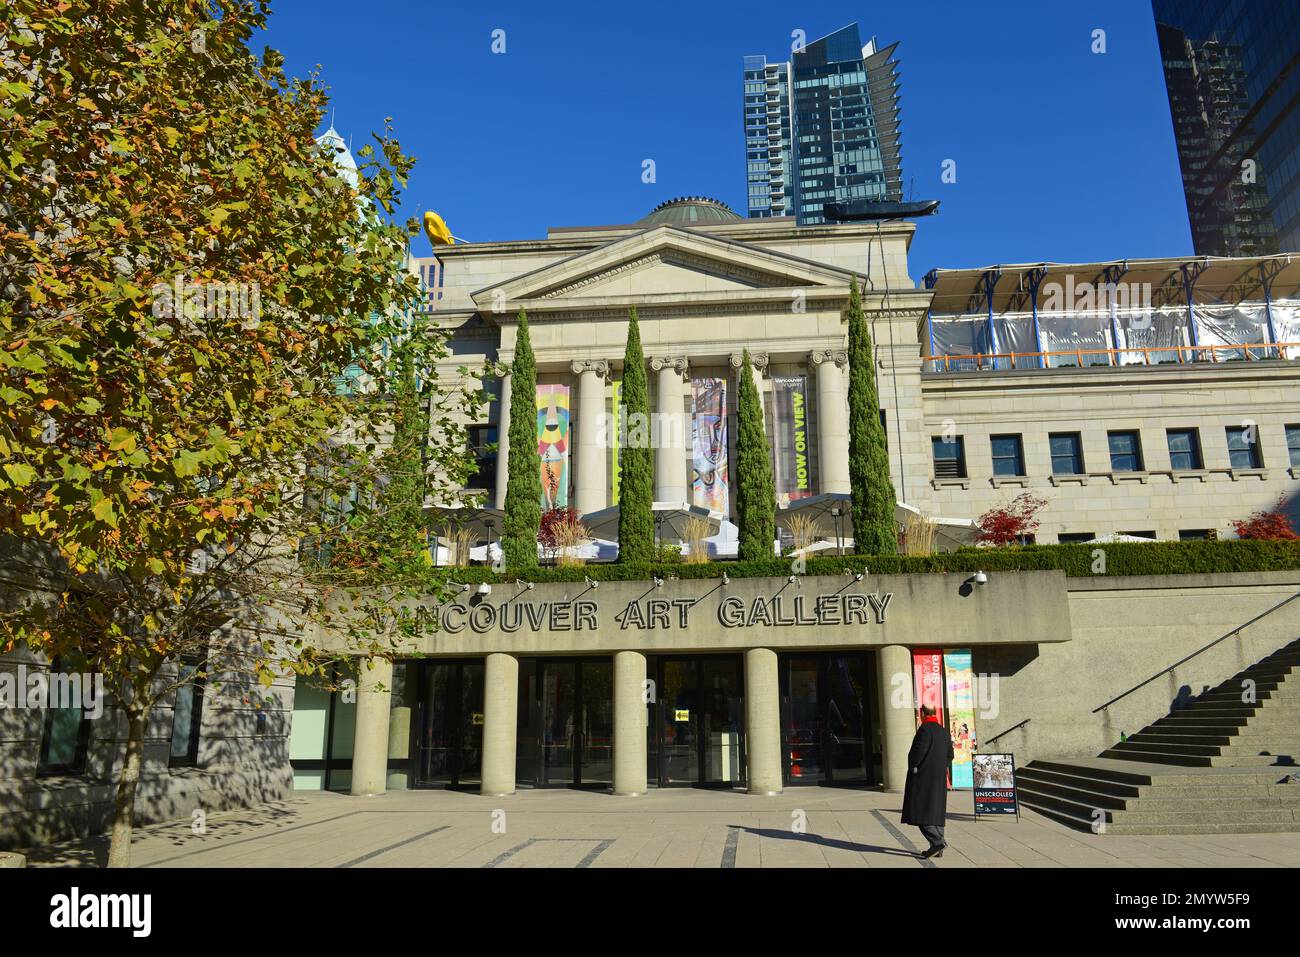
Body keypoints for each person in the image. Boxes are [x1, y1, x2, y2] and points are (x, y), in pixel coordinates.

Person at [901, 703, 954, 859]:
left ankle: (938, 842)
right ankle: (937, 847)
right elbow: (950, 755)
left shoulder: (924, 730)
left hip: (924, 778)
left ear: (922, 713)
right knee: (936, 811)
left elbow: (917, 753)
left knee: (919, 811)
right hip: (939, 778)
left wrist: (914, 767)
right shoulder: (943, 731)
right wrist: (940, 767)